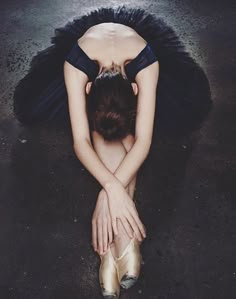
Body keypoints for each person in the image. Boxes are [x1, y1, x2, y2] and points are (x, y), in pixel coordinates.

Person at [13, 5, 213, 298]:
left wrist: (105, 199)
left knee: (126, 139)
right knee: (101, 135)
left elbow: (142, 141)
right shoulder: (76, 67)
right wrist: (112, 190)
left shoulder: (146, 67)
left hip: (132, 55)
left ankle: (112, 251)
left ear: (135, 90)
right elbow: (81, 140)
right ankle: (124, 245)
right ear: (87, 88)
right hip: (92, 55)